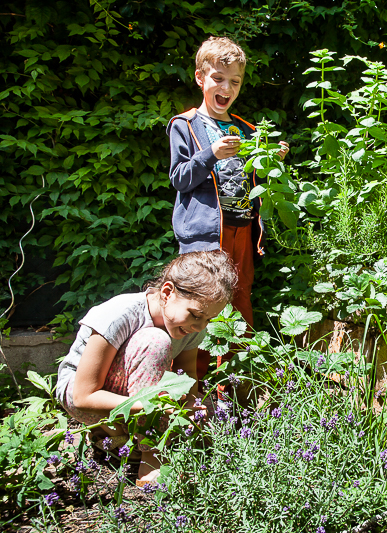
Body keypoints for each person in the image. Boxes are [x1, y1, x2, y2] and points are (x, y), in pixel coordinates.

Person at [55, 251, 238, 484]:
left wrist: (191, 402)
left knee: (217, 412)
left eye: (208, 320)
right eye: (195, 315)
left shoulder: (190, 327)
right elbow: (83, 396)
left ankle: (119, 441)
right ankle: (151, 457)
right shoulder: (120, 314)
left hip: (143, 396)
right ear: (167, 292)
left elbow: (187, 375)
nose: (199, 326)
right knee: (156, 342)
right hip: (87, 396)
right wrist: (154, 405)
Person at [166, 36, 288, 378]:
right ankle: (192, 390)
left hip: (243, 231)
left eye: (235, 82)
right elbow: (179, 178)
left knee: (240, 302)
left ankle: (236, 391)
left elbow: (257, 180)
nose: (227, 87)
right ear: (200, 78)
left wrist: (270, 161)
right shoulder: (185, 124)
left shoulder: (247, 129)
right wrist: (211, 154)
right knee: (202, 309)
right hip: (206, 236)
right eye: (219, 78)